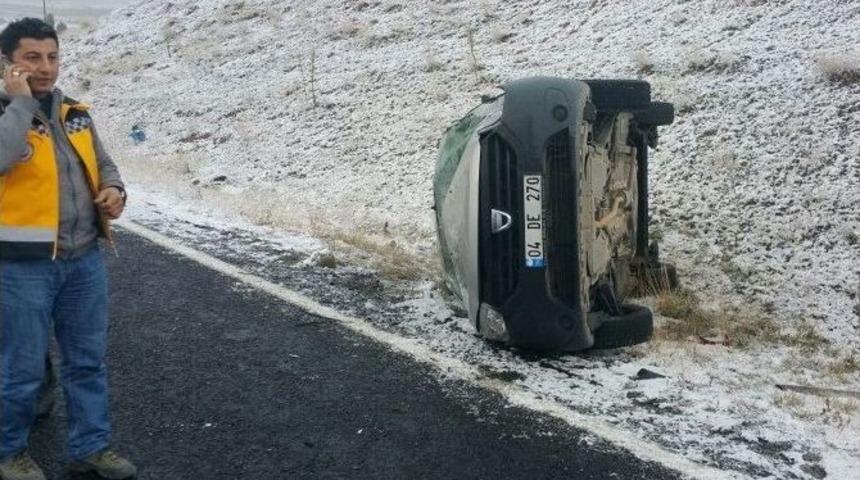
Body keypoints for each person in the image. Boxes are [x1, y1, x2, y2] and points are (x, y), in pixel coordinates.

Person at [0, 18, 136, 480]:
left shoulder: (74, 110)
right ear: (8, 63)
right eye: (32, 58)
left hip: (83, 261)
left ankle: (92, 447)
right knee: (20, 369)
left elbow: (103, 163)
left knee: (86, 361)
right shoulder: (5, 111)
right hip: (22, 266)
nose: (46, 67)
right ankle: (9, 452)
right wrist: (19, 104)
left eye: (52, 56)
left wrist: (115, 191)